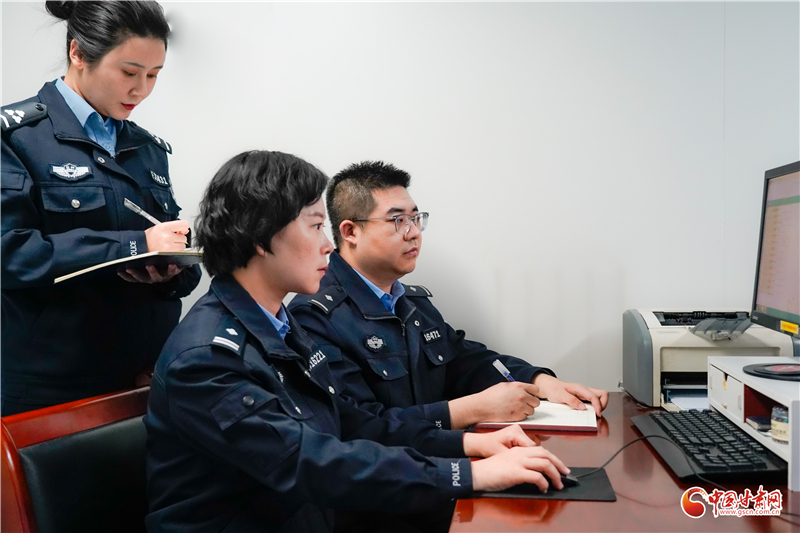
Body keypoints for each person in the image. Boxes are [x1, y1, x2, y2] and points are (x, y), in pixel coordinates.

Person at [145, 150, 571, 533]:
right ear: (261, 237)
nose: (328, 246)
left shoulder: (279, 325)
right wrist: (468, 474)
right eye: (316, 226)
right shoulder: (207, 359)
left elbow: (354, 424)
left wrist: (469, 445)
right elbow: (309, 461)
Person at [289, 161, 609, 430]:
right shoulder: (315, 317)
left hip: (440, 462)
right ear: (350, 232)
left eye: (416, 219)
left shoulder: (410, 303)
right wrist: (472, 410)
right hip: (394, 480)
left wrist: (540, 381)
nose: (414, 232)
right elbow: (360, 427)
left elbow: (465, 361)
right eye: (398, 220)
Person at [1, 1, 201, 415]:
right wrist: (134, 246)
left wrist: (171, 270)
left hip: (143, 380)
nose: (141, 90)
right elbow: (11, 253)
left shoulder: (147, 147)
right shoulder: (15, 138)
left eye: (154, 75)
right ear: (78, 53)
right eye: (129, 72)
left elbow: (170, 246)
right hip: (54, 388)